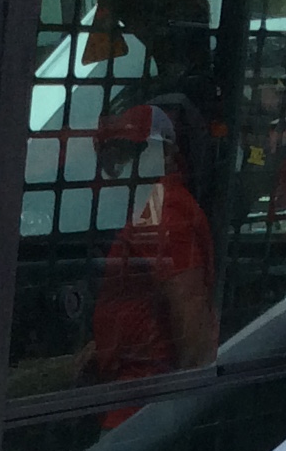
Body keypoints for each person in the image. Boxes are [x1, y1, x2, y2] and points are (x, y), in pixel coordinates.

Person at [82, 100, 216, 406]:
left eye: (132, 151)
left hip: (143, 393)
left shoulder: (164, 212)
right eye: (114, 153)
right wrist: (105, 345)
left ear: (166, 154)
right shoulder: (146, 205)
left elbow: (191, 313)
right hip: (129, 380)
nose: (119, 165)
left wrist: (177, 409)